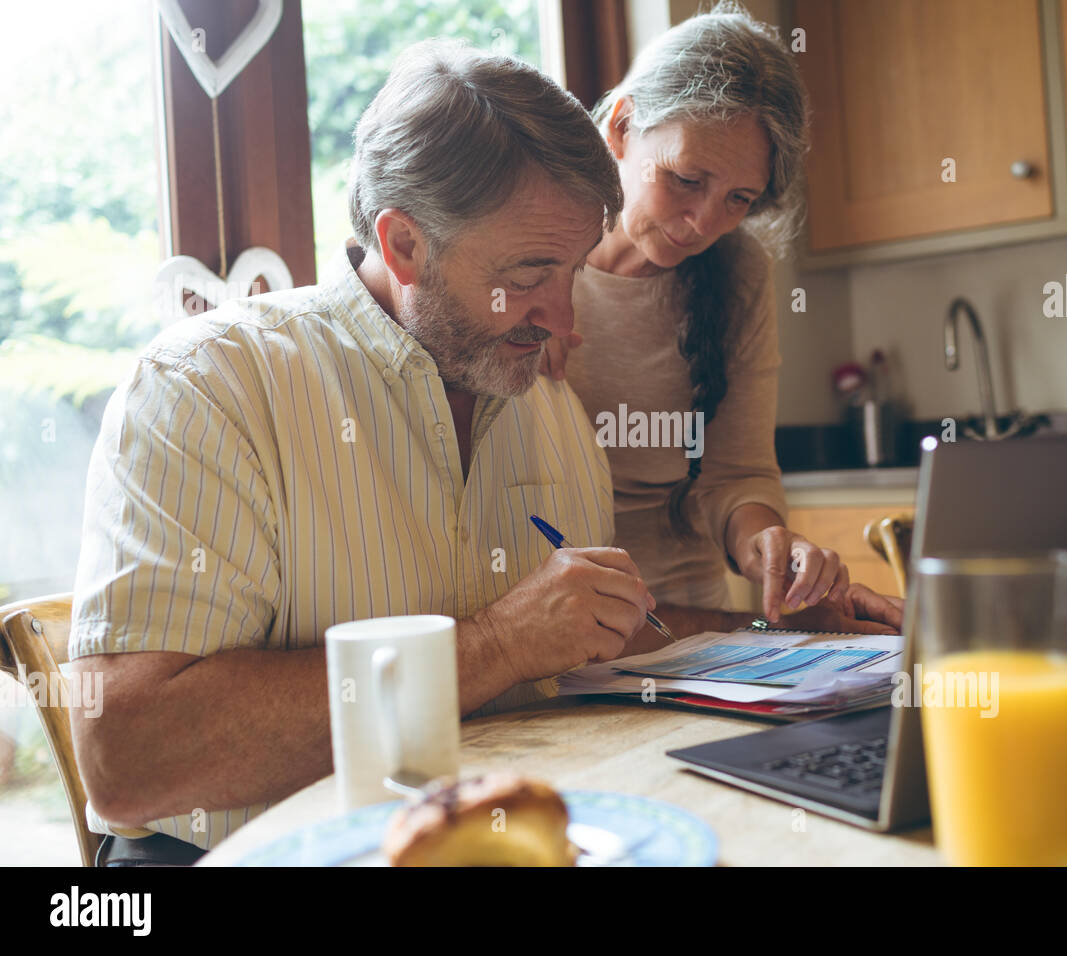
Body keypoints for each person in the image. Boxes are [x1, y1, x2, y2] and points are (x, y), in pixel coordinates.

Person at [68, 40, 898, 865]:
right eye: (532, 272)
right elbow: (126, 763)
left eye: (572, 270)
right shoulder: (207, 388)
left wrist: (779, 628)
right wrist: (497, 646)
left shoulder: (548, 408)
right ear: (403, 247)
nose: (565, 322)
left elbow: (596, 631)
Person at [544, 4, 894, 624]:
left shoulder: (738, 273)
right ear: (622, 129)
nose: (705, 223)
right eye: (685, 178)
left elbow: (737, 475)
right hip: (553, 624)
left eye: (739, 198)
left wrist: (770, 549)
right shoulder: (527, 258)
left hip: (691, 625)